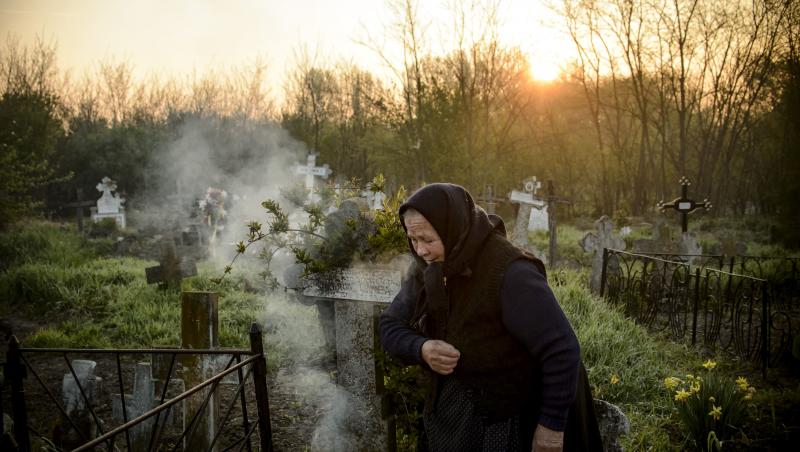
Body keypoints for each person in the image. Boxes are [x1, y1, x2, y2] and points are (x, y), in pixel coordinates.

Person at [379, 183, 601, 452]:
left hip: (507, 416)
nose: (420, 250)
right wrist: (421, 348)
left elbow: (562, 350)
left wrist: (551, 429)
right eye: (413, 240)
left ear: (453, 228)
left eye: (427, 239)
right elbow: (390, 325)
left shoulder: (510, 273)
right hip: (453, 414)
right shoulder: (429, 266)